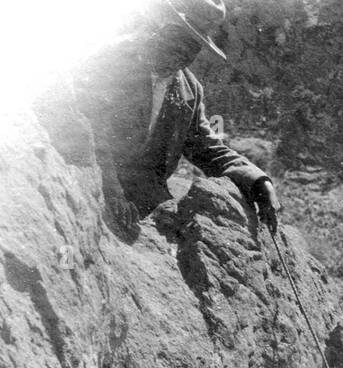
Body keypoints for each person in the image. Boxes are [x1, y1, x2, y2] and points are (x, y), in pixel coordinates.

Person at [75, 0, 278, 236]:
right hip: (95, 183)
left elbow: (209, 150)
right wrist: (112, 193)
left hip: (147, 198)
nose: (184, 52)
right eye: (179, 37)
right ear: (162, 26)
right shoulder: (111, 60)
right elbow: (89, 131)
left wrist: (259, 182)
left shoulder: (190, 90)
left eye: (195, 46)